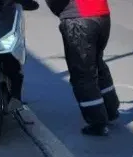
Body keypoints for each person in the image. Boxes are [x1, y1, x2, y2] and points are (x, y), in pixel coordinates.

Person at [46, 0, 120, 136]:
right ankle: (110, 110)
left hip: (80, 20)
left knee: (83, 74)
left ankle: (97, 122)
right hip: (102, 17)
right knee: (97, 64)